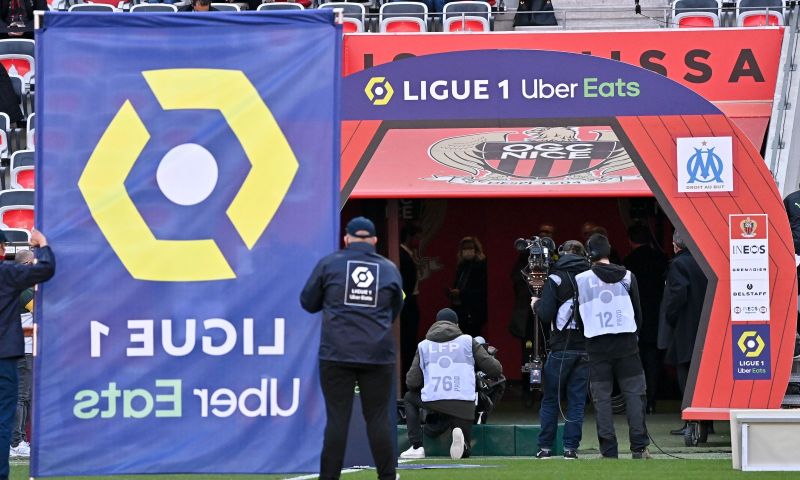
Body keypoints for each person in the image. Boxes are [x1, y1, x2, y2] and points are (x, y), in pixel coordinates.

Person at [300, 216, 403, 480]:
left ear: (346, 238)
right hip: (378, 353)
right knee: (378, 419)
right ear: (375, 240)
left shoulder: (330, 264)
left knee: (337, 420)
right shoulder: (389, 268)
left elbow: (308, 302)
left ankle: (329, 477)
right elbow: (395, 310)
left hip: (337, 352)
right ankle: (388, 477)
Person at [576, 233, 650, 459]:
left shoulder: (581, 279)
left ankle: (608, 450)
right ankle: (639, 447)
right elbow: (639, 314)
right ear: (609, 251)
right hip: (626, 343)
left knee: (602, 399)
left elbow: (579, 317)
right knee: (634, 395)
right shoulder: (628, 276)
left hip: (597, 344)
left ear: (590, 254)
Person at [399, 308, 502, 460]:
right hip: (464, 404)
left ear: (435, 324)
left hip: (434, 401)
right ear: (457, 325)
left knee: (409, 398)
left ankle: (416, 447)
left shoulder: (424, 345)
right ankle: (462, 441)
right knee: (464, 451)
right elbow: (495, 370)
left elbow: (411, 382)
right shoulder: (467, 341)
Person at [0, 229, 54, 480]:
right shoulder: (7, 274)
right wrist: (41, 245)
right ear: (2, 250)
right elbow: (45, 269)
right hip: (4, 356)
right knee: (4, 417)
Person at [531, 240, 590, 460]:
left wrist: (535, 304)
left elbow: (545, 315)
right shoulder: (591, 277)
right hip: (585, 347)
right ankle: (570, 449)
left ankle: (545, 448)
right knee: (576, 401)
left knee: (550, 399)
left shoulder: (555, 277)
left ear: (561, 254)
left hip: (560, 347)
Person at [658, 231, 707, 436]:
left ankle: (690, 421)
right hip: (705, 325)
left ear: (675, 245)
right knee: (703, 377)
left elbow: (678, 294)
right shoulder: (705, 260)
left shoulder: (678, 264)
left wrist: (670, 316)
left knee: (685, 377)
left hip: (685, 327)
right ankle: (706, 422)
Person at [623, 224, 667, 414]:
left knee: (635, 361)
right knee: (653, 362)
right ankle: (652, 400)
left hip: (634, 317)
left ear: (631, 241)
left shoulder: (628, 262)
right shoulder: (661, 259)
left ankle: (637, 400)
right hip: (657, 316)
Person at [8, 249, 32, 459]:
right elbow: (39, 309)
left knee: (24, 397)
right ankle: (16, 442)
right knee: (21, 397)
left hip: (26, 348)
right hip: (23, 349)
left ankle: (19, 440)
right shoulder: (23, 289)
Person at [448, 236, 488, 338]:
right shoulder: (461, 266)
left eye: (470, 248)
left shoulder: (481, 266)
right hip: (460, 311)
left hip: (474, 312)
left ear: (476, 249)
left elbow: (482, 290)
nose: (467, 251)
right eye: (465, 249)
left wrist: (461, 293)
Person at [399, 223, 422, 385]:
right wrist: (403, 305)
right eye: (417, 237)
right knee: (407, 344)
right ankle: (407, 382)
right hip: (406, 307)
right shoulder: (402, 256)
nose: (419, 240)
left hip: (410, 304)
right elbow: (403, 286)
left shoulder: (409, 255)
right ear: (409, 237)